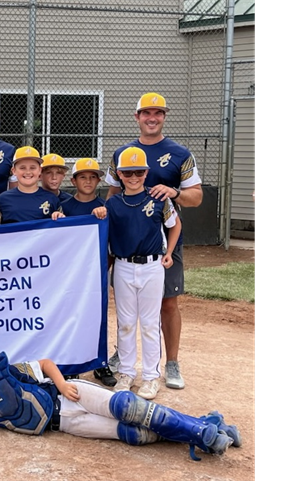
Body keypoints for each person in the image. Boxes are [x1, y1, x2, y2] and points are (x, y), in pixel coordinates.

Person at [0, 350, 241, 461]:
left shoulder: (6, 371)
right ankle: (209, 423)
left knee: (130, 408)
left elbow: (44, 362)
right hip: (67, 424)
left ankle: (204, 433)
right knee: (134, 434)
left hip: (67, 395)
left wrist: (63, 383)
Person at [105, 93, 203, 391]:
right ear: (137, 117)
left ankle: (169, 363)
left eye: (158, 113)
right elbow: (111, 196)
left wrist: (172, 192)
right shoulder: (122, 153)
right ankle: (124, 360)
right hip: (127, 247)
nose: (152, 118)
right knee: (126, 311)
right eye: (146, 113)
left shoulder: (179, 153)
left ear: (164, 116)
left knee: (167, 303)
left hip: (161, 244)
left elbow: (196, 197)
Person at [104, 146, 182, 400]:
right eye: (128, 173)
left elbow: (175, 224)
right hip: (124, 265)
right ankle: (126, 372)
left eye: (139, 172)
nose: (134, 177)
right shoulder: (114, 202)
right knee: (126, 323)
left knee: (149, 323)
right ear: (119, 174)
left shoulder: (158, 197)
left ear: (147, 172)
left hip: (152, 265)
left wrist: (169, 252)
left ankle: (150, 376)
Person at [58, 158, 112, 383]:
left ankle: (100, 363)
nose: (88, 181)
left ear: (99, 180)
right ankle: (73, 362)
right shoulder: (65, 206)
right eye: (83, 177)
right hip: (70, 273)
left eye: (92, 177)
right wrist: (56, 219)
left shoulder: (104, 207)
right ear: (73, 180)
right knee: (71, 315)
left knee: (97, 316)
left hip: (94, 271)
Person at [0, 146, 65, 225]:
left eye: (32, 168)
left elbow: (60, 231)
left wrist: (60, 218)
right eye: (22, 168)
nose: (28, 172)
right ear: (14, 171)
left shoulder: (52, 199)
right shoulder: (3, 199)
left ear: (40, 170)